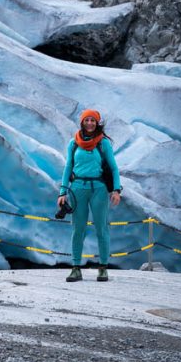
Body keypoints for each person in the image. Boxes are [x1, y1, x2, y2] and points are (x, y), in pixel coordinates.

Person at [57, 109, 122, 282]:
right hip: (77, 188)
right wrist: (62, 191)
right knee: (78, 229)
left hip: (99, 189)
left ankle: (103, 268)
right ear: (82, 122)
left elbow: (114, 168)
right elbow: (68, 167)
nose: (90, 123)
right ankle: (76, 268)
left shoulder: (103, 143)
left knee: (102, 228)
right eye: (87, 120)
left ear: (97, 123)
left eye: (93, 121)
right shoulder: (74, 143)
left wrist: (116, 190)